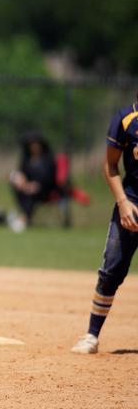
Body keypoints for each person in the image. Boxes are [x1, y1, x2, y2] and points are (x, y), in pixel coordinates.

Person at [71, 100, 138, 354]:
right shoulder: (126, 120)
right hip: (131, 206)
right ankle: (92, 335)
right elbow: (110, 166)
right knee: (111, 270)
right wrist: (122, 202)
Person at [8, 132, 58, 232]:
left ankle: (24, 218)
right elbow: (21, 173)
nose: (34, 148)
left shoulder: (48, 159)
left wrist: (38, 185)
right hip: (27, 188)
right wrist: (20, 180)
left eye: (36, 145)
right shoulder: (26, 160)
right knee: (19, 188)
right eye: (32, 145)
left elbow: (50, 177)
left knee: (31, 193)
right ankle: (25, 217)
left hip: (45, 189)